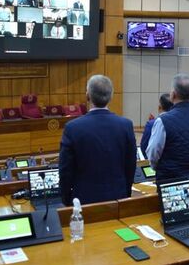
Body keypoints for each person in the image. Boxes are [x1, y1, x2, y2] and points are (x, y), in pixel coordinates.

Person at [58, 75, 137, 205]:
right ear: (111, 96)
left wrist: (66, 199)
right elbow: (130, 165)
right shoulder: (126, 125)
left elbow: (65, 170)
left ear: (87, 96)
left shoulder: (73, 128)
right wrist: (126, 192)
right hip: (118, 196)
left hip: (83, 199)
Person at [146, 74, 189, 181]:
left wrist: (159, 168)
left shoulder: (163, 121)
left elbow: (153, 153)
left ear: (173, 94)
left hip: (170, 180)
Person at [140, 93, 173, 159]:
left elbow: (144, 148)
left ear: (159, 107)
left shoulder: (151, 124)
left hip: (156, 165)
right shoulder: (179, 123)